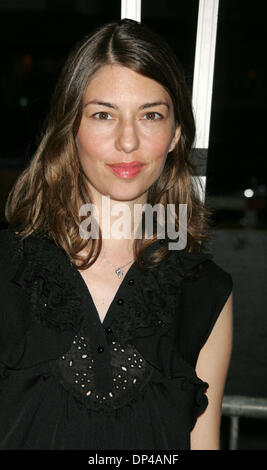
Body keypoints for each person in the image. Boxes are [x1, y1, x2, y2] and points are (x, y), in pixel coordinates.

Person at [0, 18, 233, 450]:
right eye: (104, 115)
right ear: (71, 129)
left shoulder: (206, 289)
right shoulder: (7, 269)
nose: (128, 141)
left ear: (176, 134)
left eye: (151, 115)